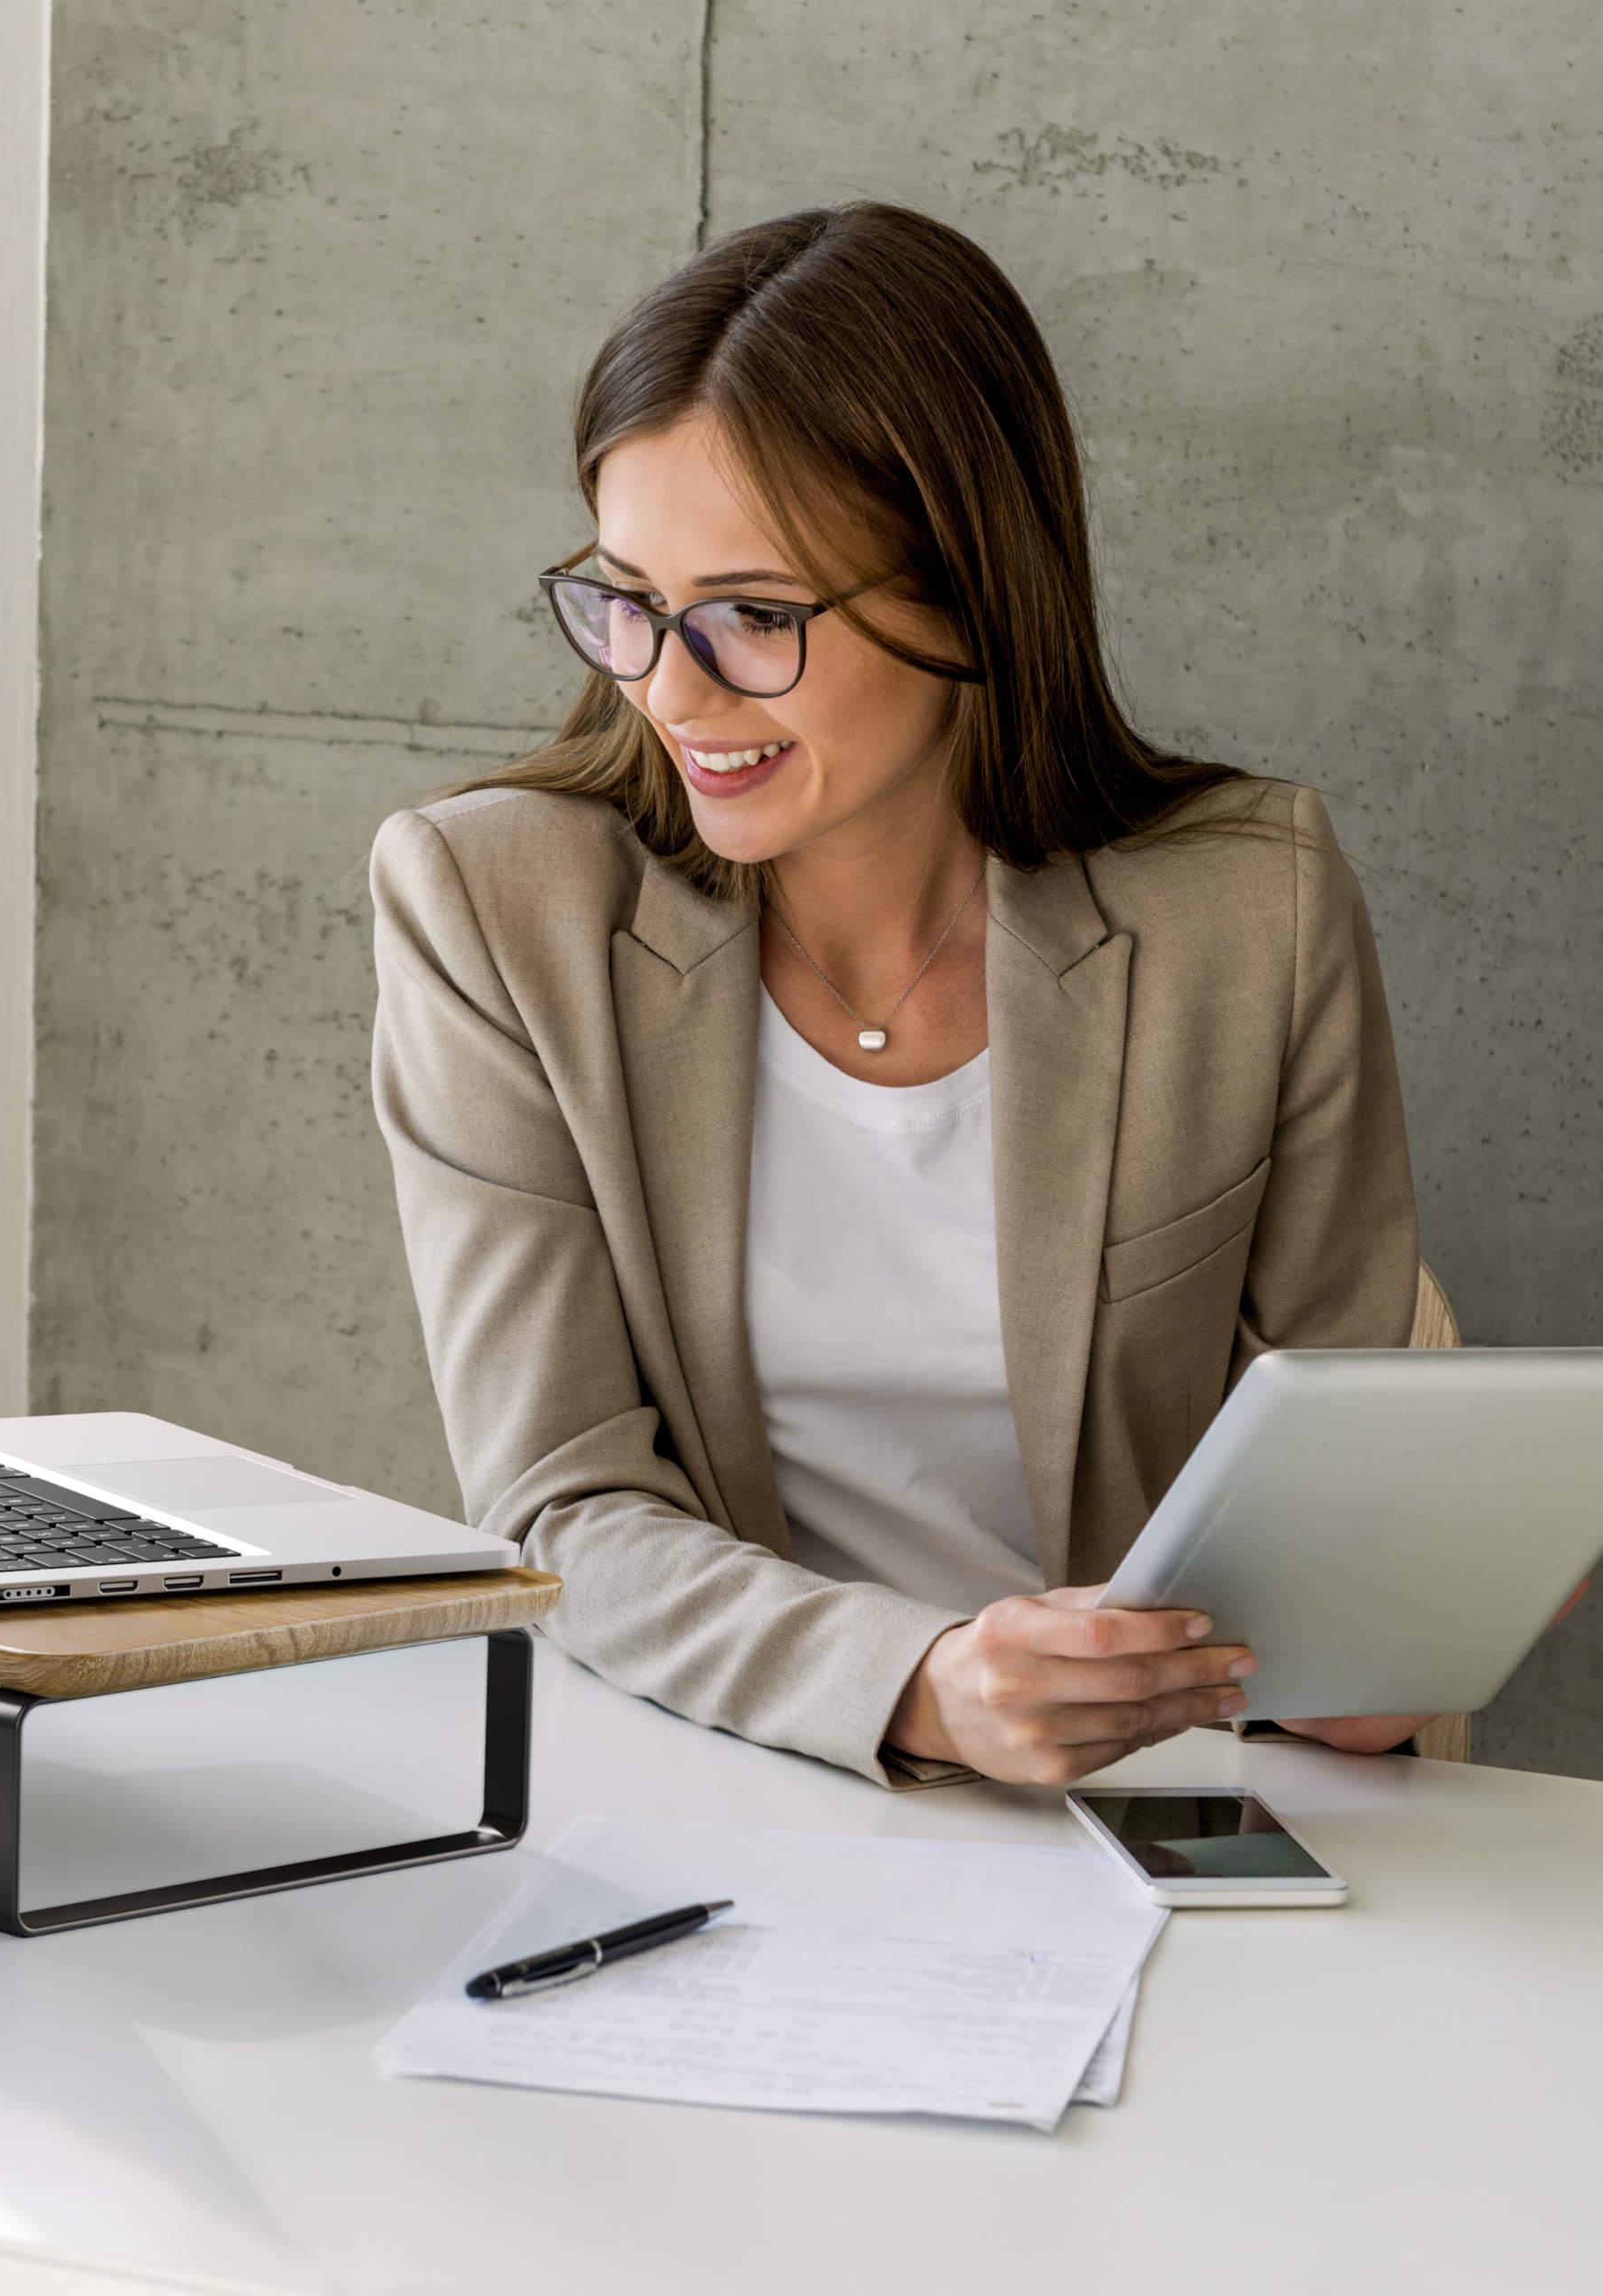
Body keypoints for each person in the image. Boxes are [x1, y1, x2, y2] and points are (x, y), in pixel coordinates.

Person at [369, 203, 1431, 1788]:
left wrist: (1369, 1642)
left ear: (968, 596)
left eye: (753, 616)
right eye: (627, 598)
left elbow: (1338, 1503)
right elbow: (558, 1512)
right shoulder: (495, 908)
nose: (669, 687)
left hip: (1152, 1808)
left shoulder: (1247, 910)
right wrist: (921, 1684)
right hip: (730, 1774)